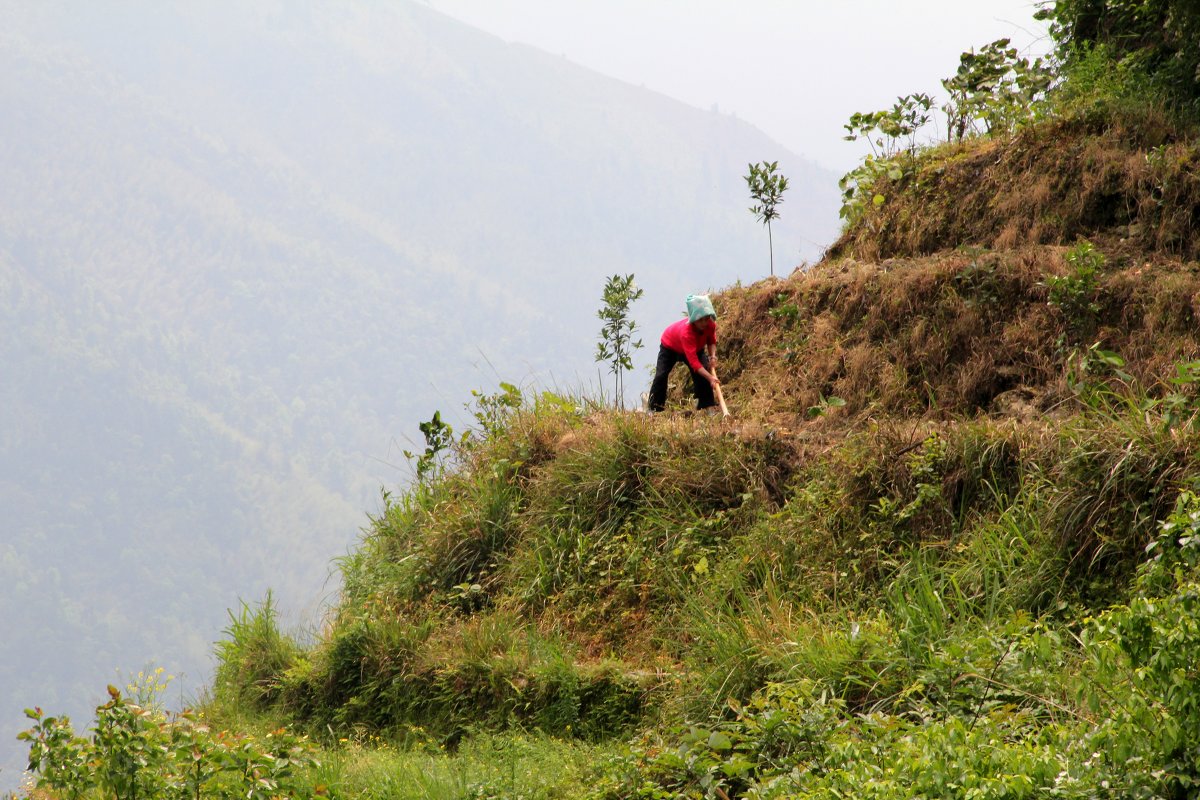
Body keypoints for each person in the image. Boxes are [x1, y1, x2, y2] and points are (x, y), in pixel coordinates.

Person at [648, 294, 719, 412]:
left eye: (706, 319)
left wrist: (712, 357)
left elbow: (711, 341)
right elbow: (695, 364)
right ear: (693, 319)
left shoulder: (710, 325)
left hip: (696, 348)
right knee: (661, 376)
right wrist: (711, 378)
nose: (704, 323)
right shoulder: (687, 333)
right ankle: (655, 409)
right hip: (669, 346)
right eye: (700, 320)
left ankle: (706, 406)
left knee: (703, 373)